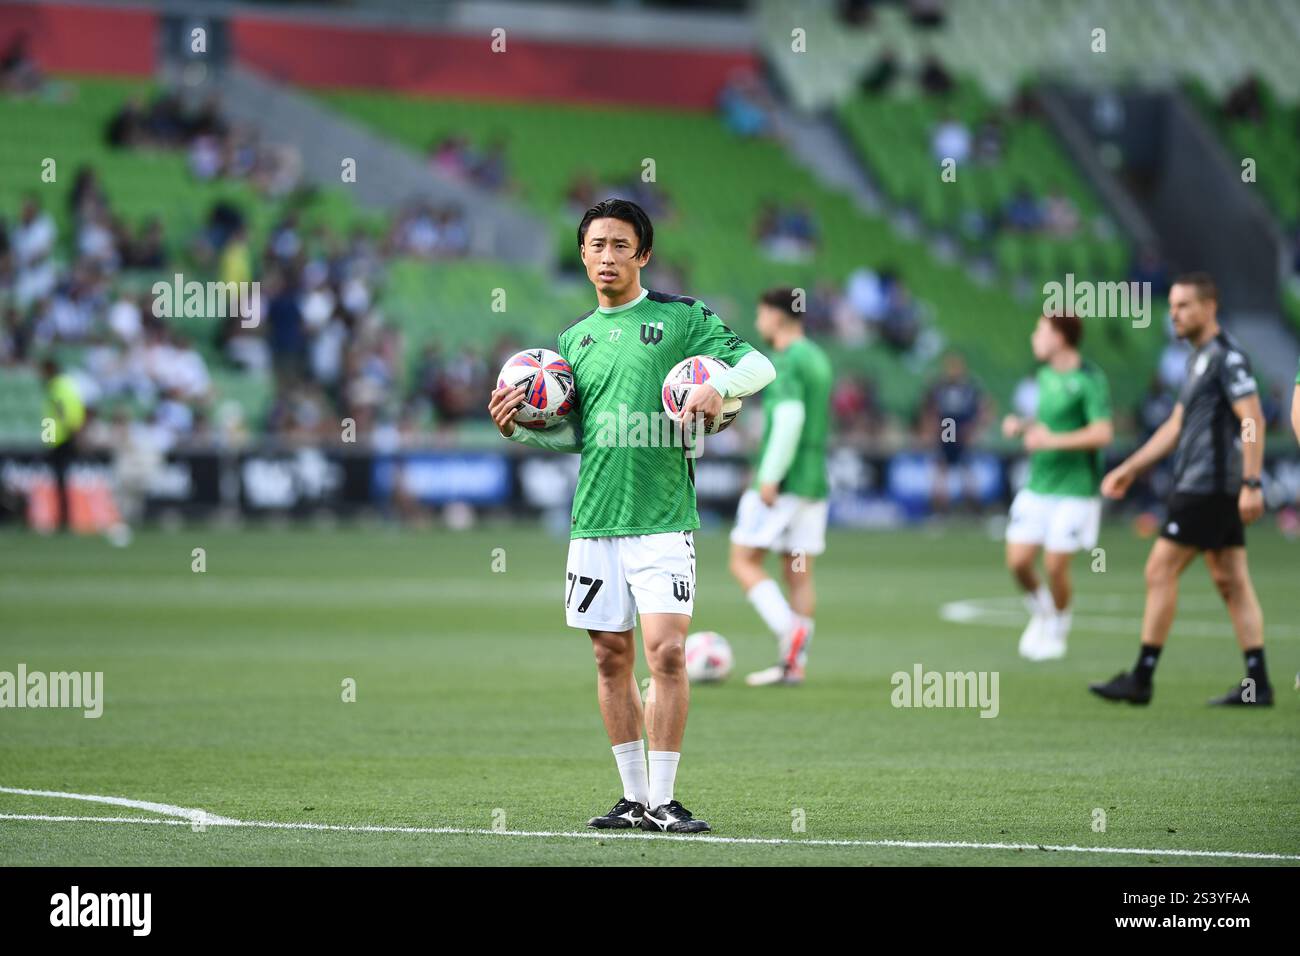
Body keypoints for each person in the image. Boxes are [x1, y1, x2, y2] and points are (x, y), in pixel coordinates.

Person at [487, 199, 775, 833]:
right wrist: (522, 431)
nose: (607, 257)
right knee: (608, 658)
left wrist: (720, 387)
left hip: (663, 515)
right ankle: (635, 799)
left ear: (643, 254)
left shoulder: (681, 318)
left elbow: (761, 364)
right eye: (596, 246)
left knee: (667, 652)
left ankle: (668, 800)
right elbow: (578, 434)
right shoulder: (572, 341)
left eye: (621, 245)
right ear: (583, 256)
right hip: (594, 521)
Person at [1090, 274, 1272, 706]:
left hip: (1207, 485)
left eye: (1184, 305)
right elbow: (1174, 426)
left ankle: (1142, 677)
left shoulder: (1228, 359)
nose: (1174, 313)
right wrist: (1131, 468)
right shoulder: (1195, 361)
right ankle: (1257, 683)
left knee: (1159, 571)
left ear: (1210, 307)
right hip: (1206, 485)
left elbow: (1253, 419)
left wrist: (1252, 482)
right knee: (1231, 581)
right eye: (1172, 306)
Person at [728, 288, 833, 686]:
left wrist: (770, 475)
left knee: (743, 560)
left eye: (761, 314)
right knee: (799, 572)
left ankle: (790, 629)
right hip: (812, 481)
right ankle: (794, 664)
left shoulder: (786, 361)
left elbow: (789, 418)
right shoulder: (817, 357)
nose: (758, 323)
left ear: (775, 315)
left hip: (784, 480)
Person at [1002, 314, 1113, 661]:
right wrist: (1023, 426)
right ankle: (1043, 612)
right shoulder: (1045, 375)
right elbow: (1047, 425)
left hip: (1076, 489)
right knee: (1018, 563)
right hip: (1039, 483)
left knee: (1054, 565)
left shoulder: (1090, 380)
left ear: (1061, 337)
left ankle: (1059, 628)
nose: (1034, 337)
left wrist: (1051, 440)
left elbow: (1102, 433)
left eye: (1041, 330)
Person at [41, 358, 86, 531]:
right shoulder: (67, 386)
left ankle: (63, 520)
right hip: (65, 438)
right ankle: (64, 519)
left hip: (60, 441)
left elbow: (57, 414)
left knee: (60, 481)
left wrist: (48, 440)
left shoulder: (55, 388)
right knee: (62, 481)